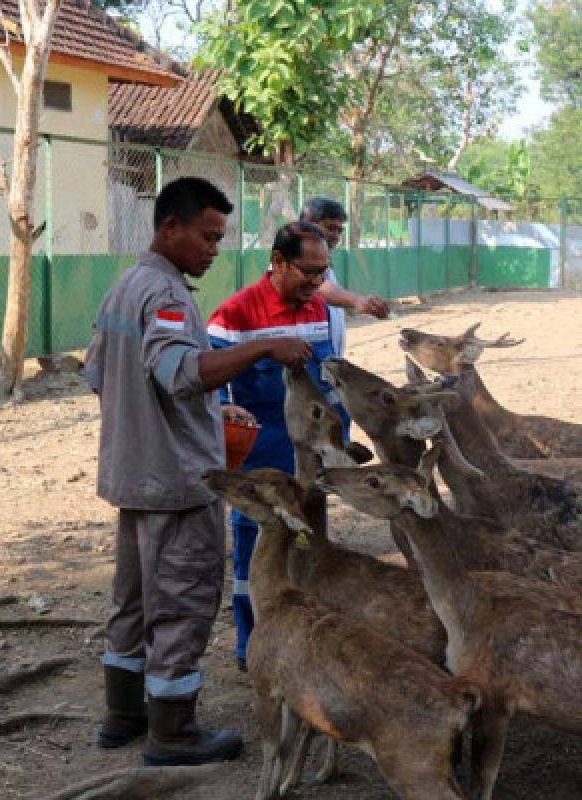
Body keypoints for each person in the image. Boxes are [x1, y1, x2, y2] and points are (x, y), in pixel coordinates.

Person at [85, 177, 312, 765]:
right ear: (171, 228)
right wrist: (264, 347)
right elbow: (180, 372)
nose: (215, 249)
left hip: (133, 474)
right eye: (208, 237)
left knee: (132, 601)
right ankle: (174, 733)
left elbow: (100, 375)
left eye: (220, 238)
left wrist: (210, 409)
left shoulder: (124, 287)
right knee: (182, 604)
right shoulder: (166, 295)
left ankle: (123, 716)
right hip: (178, 484)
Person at [205, 221, 348, 671]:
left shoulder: (319, 310)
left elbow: (330, 383)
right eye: (308, 271)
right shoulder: (233, 317)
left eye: (323, 272)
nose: (316, 282)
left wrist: (339, 442)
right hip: (262, 464)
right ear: (279, 262)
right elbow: (213, 395)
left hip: (311, 463)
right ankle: (255, 646)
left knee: (311, 547)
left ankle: (308, 639)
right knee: (257, 554)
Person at [300, 196, 390, 356]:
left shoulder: (323, 260)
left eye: (339, 230)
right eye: (330, 228)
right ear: (307, 224)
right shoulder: (292, 258)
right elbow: (317, 287)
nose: (335, 236)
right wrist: (357, 300)